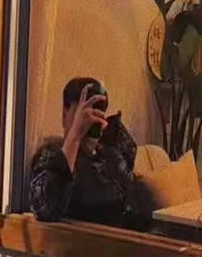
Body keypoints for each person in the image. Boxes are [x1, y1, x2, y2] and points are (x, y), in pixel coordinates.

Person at [29, 77, 143, 226]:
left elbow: (129, 157)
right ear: (64, 115)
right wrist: (76, 135)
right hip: (103, 238)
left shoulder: (107, 153)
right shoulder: (51, 155)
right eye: (83, 115)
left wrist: (107, 129)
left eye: (95, 116)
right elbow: (46, 208)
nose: (89, 122)